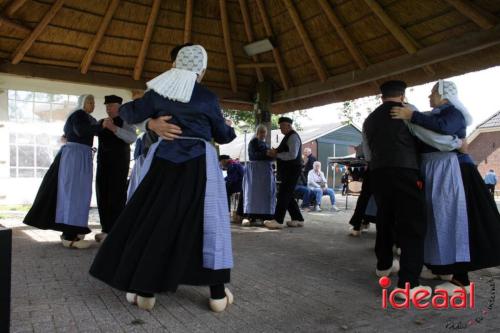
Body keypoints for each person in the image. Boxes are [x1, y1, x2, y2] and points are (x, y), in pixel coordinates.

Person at [89, 45, 236, 312]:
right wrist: (228, 128)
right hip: (198, 167)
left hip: (164, 164)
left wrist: (151, 123)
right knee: (206, 222)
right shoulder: (207, 97)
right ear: (201, 70)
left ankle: (145, 289)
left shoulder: (159, 93)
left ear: (175, 67)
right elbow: (224, 135)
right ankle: (216, 292)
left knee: (156, 219)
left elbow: (127, 114)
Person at [391, 80, 500, 293]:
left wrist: (412, 116)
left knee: (453, 222)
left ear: (444, 95)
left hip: (451, 171)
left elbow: (443, 129)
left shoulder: (454, 113)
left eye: (432, 93)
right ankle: (439, 266)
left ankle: (461, 280)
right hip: (436, 170)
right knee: (436, 221)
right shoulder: (433, 115)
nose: (429, 97)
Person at [363, 80, 431, 300]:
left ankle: (383, 266)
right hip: (406, 170)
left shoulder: (369, 119)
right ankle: (408, 284)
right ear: (403, 95)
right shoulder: (410, 111)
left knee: (385, 217)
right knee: (412, 224)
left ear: (381, 97)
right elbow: (424, 139)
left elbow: (367, 152)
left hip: (379, 173)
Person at [24, 95, 102, 248]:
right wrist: (102, 126)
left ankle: (72, 230)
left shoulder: (86, 117)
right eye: (89, 101)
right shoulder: (79, 115)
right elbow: (80, 131)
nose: (92, 104)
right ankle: (70, 234)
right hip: (75, 157)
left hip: (79, 156)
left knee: (78, 193)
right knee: (74, 193)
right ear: (81, 103)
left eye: (93, 102)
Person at [95, 95, 137, 242]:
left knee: (116, 196)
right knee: (102, 195)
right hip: (103, 164)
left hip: (119, 165)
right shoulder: (101, 122)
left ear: (119, 106)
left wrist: (114, 128)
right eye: (107, 106)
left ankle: (116, 232)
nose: (108, 108)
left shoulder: (126, 121)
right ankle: (105, 229)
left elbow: (132, 138)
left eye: (111, 105)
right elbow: (89, 132)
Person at [264, 117, 305, 229]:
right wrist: (276, 151)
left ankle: (278, 220)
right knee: (288, 195)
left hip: (292, 170)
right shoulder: (288, 136)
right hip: (289, 170)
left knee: (283, 194)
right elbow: (286, 151)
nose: (281, 128)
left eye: (282, 126)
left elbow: (292, 155)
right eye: (280, 126)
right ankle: (298, 219)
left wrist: (276, 154)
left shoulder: (293, 137)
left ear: (289, 126)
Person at [240, 125, 276, 226]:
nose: (263, 134)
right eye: (261, 132)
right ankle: (251, 216)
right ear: (257, 133)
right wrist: (267, 154)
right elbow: (252, 156)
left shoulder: (266, 144)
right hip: (255, 172)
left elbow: (270, 157)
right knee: (253, 194)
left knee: (264, 194)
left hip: (265, 171)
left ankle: (265, 216)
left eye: (264, 132)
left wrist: (273, 155)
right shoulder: (253, 142)